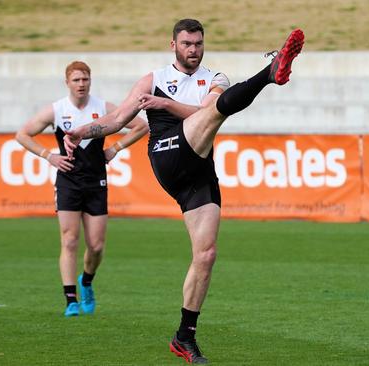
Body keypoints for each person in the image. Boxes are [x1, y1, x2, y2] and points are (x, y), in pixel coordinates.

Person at [64, 20, 304, 363]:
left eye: (198, 43)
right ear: (173, 45)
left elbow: (208, 112)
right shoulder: (154, 79)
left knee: (206, 255)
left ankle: (184, 337)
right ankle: (270, 72)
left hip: (199, 168)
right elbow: (117, 119)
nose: (193, 49)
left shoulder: (215, 78)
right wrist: (80, 133)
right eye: (187, 44)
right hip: (167, 151)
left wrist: (163, 105)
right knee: (212, 116)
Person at [15, 61, 149, 317]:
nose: (81, 84)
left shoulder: (104, 108)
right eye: (76, 80)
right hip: (68, 181)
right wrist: (48, 155)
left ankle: (86, 281)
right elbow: (22, 134)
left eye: (85, 79)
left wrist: (115, 148)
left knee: (96, 246)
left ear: (90, 81)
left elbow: (142, 126)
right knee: (69, 239)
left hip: (96, 181)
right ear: (67, 83)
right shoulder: (56, 110)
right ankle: (70, 300)